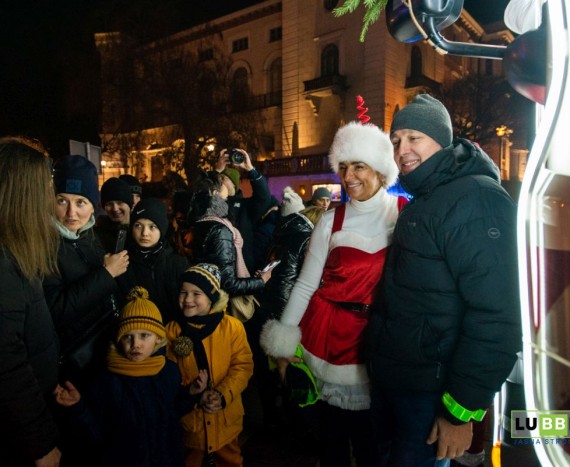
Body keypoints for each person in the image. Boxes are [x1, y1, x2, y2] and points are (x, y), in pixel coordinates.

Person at [367, 94, 522, 465]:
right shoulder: (428, 196)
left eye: (414, 138)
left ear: (442, 140)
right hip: (399, 385)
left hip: (431, 395)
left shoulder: (477, 199)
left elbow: (497, 316)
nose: (402, 150)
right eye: (396, 140)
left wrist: (459, 412)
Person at [260, 120, 400, 467]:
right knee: (333, 445)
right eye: (344, 166)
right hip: (329, 339)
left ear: (380, 170)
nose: (348, 176)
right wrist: (283, 343)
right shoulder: (329, 221)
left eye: (359, 166)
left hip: (380, 343)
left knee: (374, 449)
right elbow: (306, 284)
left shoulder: (402, 215)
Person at [54, 287, 206, 467]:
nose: (136, 344)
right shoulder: (106, 380)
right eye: (128, 337)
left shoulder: (169, 371)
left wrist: (190, 393)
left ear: (158, 338)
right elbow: (96, 433)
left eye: (144, 335)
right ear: (119, 340)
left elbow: (171, 413)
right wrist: (78, 408)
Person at [0, 136, 61, 467]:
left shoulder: (16, 249)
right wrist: (40, 444)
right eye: (47, 187)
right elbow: (6, 363)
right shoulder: (3, 261)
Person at [44, 155, 129, 385]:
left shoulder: (90, 236)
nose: (71, 213)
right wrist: (105, 275)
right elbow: (55, 311)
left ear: (93, 206)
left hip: (109, 350)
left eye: (81, 202)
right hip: (77, 365)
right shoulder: (44, 247)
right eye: (62, 201)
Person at [166, 263, 254, 466]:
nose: (187, 299)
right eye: (183, 293)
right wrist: (193, 393)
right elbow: (168, 376)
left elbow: (243, 366)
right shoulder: (171, 331)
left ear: (212, 296)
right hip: (192, 422)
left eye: (196, 293)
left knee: (230, 461)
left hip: (225, 419)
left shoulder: (232, 327)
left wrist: (222, 395)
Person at [117, 197, 189, 324]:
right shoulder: (121, 263)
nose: (144, 233)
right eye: (138, 225)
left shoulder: (177, 263)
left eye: (152, 227)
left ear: (162, 229)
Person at [213, 148, 272, 273]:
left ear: (233, 184)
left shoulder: (244, 207)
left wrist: (251, 170)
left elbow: (263, 198)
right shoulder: (211, 205)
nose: (220, 181)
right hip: (216, 266)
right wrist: (216, 171)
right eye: (219, 178)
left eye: (224, 178)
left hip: (241, 268)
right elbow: (199, 198)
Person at [95, 177, 134, 253]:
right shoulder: (96, 236)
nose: (115, 209)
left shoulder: (141, 231)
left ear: (130, 204)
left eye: (120, 203)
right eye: (109, 204)